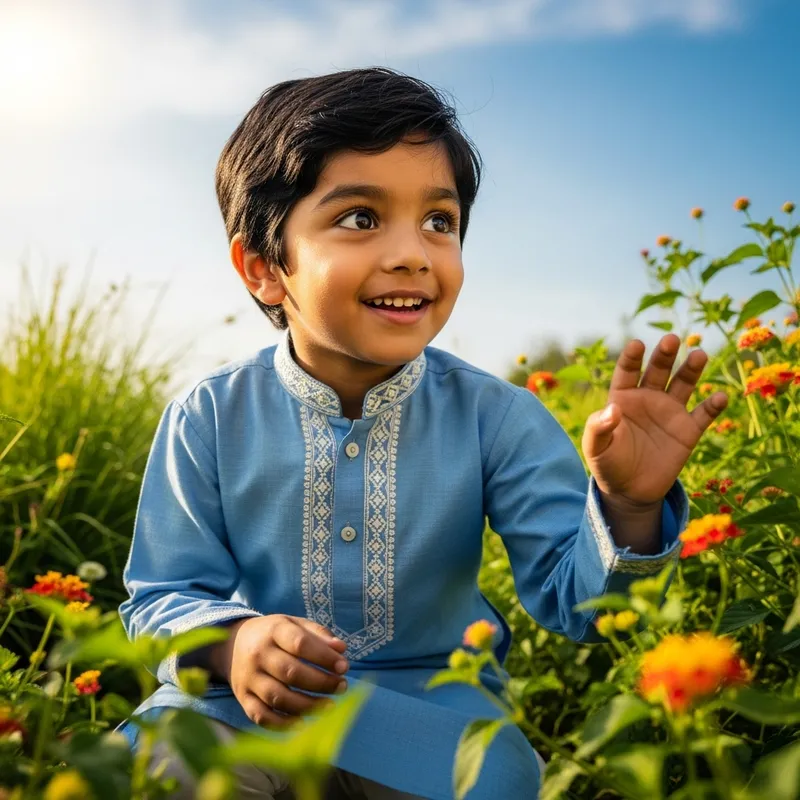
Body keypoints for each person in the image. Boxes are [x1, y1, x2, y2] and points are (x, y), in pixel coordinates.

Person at [117, 67, 728, 799]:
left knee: (495, 778)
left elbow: (581, 609)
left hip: (432, 715)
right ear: (263, 267)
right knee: (156, 767)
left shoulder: (497, 417)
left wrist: (627, 506)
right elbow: (160, 596)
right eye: (361, 219)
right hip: (246, 708)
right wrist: (235, 644)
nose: (413, 252)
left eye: (439, 222)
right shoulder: (209, 416)